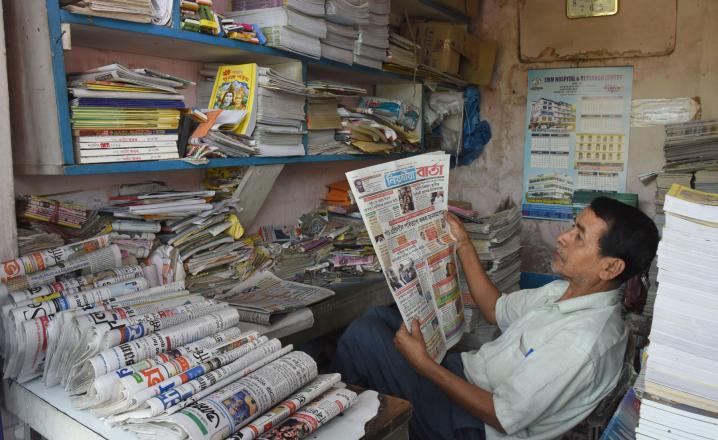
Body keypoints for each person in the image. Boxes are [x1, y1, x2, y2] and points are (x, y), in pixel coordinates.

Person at [332, 197, 659, 440]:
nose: (563, 237)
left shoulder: (583, 343)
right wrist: (463, 244)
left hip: (473, 425)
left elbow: (501, 415)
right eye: (572, 226)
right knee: (379, 318)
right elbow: (494, 308)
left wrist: (424, 365)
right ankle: (366, 415)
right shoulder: (562, 292)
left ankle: (339, 423)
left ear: (610, 267)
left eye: (579, 236)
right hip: (468, 376)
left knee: (365, 336)